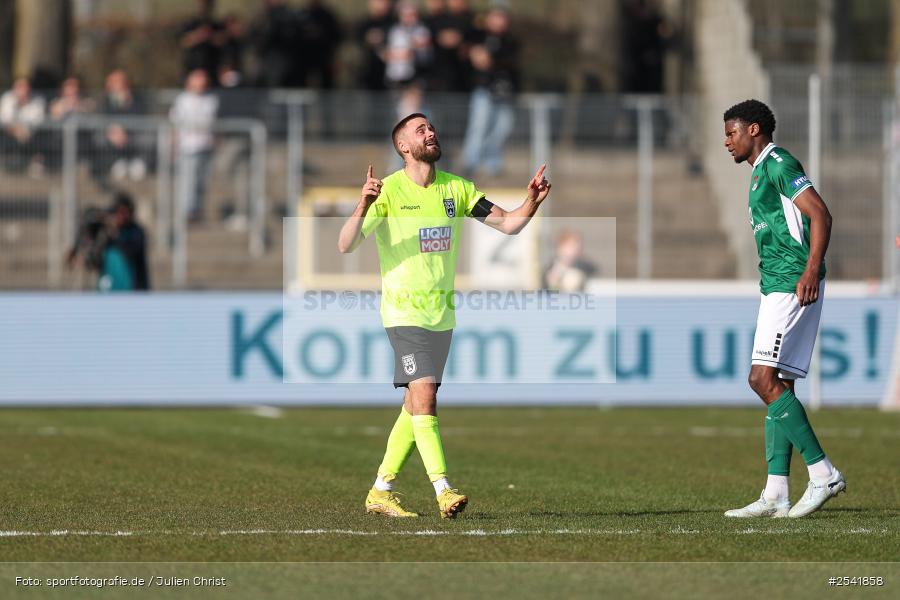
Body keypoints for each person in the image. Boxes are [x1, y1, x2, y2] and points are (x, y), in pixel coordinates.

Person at [337, 113, 551, 518]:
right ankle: (443, 489)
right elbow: (346, 244)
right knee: (427, 396)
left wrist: (533, 203)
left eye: (431, 127)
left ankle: (380, 490)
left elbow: (508, 224)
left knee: (414, 406)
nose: (431, 132)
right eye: (420, 130)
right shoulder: (387, 192)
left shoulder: (457, 188)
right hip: (403, 313)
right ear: (403, 147)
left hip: (441, 316)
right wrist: (363, 202)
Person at [722, 99, 845, 519]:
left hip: (793, 282)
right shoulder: (759, 173)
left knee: (761, 378)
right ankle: (776, 492)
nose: (727, 141)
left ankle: (823, 472)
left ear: (754, 130)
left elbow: (820, 213)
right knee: (779, 384)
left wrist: (810, 270)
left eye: (732, 132)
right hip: (777, 283)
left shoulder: (778, 163)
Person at [460, 5, 519, 177]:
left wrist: (490, 60)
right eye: (496, 18)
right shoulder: (477, 36)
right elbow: (464, 51)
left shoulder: (510, 41)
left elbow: (511, 62)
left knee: (503, 128)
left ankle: (492, 163)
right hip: (484, 90)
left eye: (502, 18)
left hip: (505, 92)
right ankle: (471, 162)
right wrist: (473, 52)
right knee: (479, 126)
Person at [170, 69, 219, 223]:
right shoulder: (182, 100)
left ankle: (197, 212)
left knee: (201, 182)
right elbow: (176, 125)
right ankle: (187, 213)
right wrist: (174, 147)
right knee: (188, 182)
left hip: (206, 146)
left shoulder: (211, 100)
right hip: (188, 147)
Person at [94, 69, 149, 185]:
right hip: (113, 136)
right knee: (100, 138)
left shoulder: (137, 98)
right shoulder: (104, 100)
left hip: (133, 134)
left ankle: (138, 162)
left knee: (148, 138)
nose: (116, 86)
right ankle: (116, 162)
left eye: (119, 82)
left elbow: (141, 118)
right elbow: (103, 119)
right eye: (113, 82)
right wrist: (113, 130)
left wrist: (127, 102)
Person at [0, 77, 46, 174]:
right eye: (19, 87)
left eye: (25, 87)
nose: (23, 90)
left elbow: (37, 120)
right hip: (10, 134)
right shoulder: (7, 98)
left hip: (30, 135)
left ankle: (35, 164)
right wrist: (17, 130)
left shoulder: (38, 99)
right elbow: (5, 119)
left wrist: (24, 131)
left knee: (41, 137)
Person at [179, 0, 227, 82]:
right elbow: (184, 41)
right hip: (192, 68)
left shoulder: (216, 25)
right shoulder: (191, 24)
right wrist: (199, 35)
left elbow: (222, 40)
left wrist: (210, 36)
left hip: (212, 68)